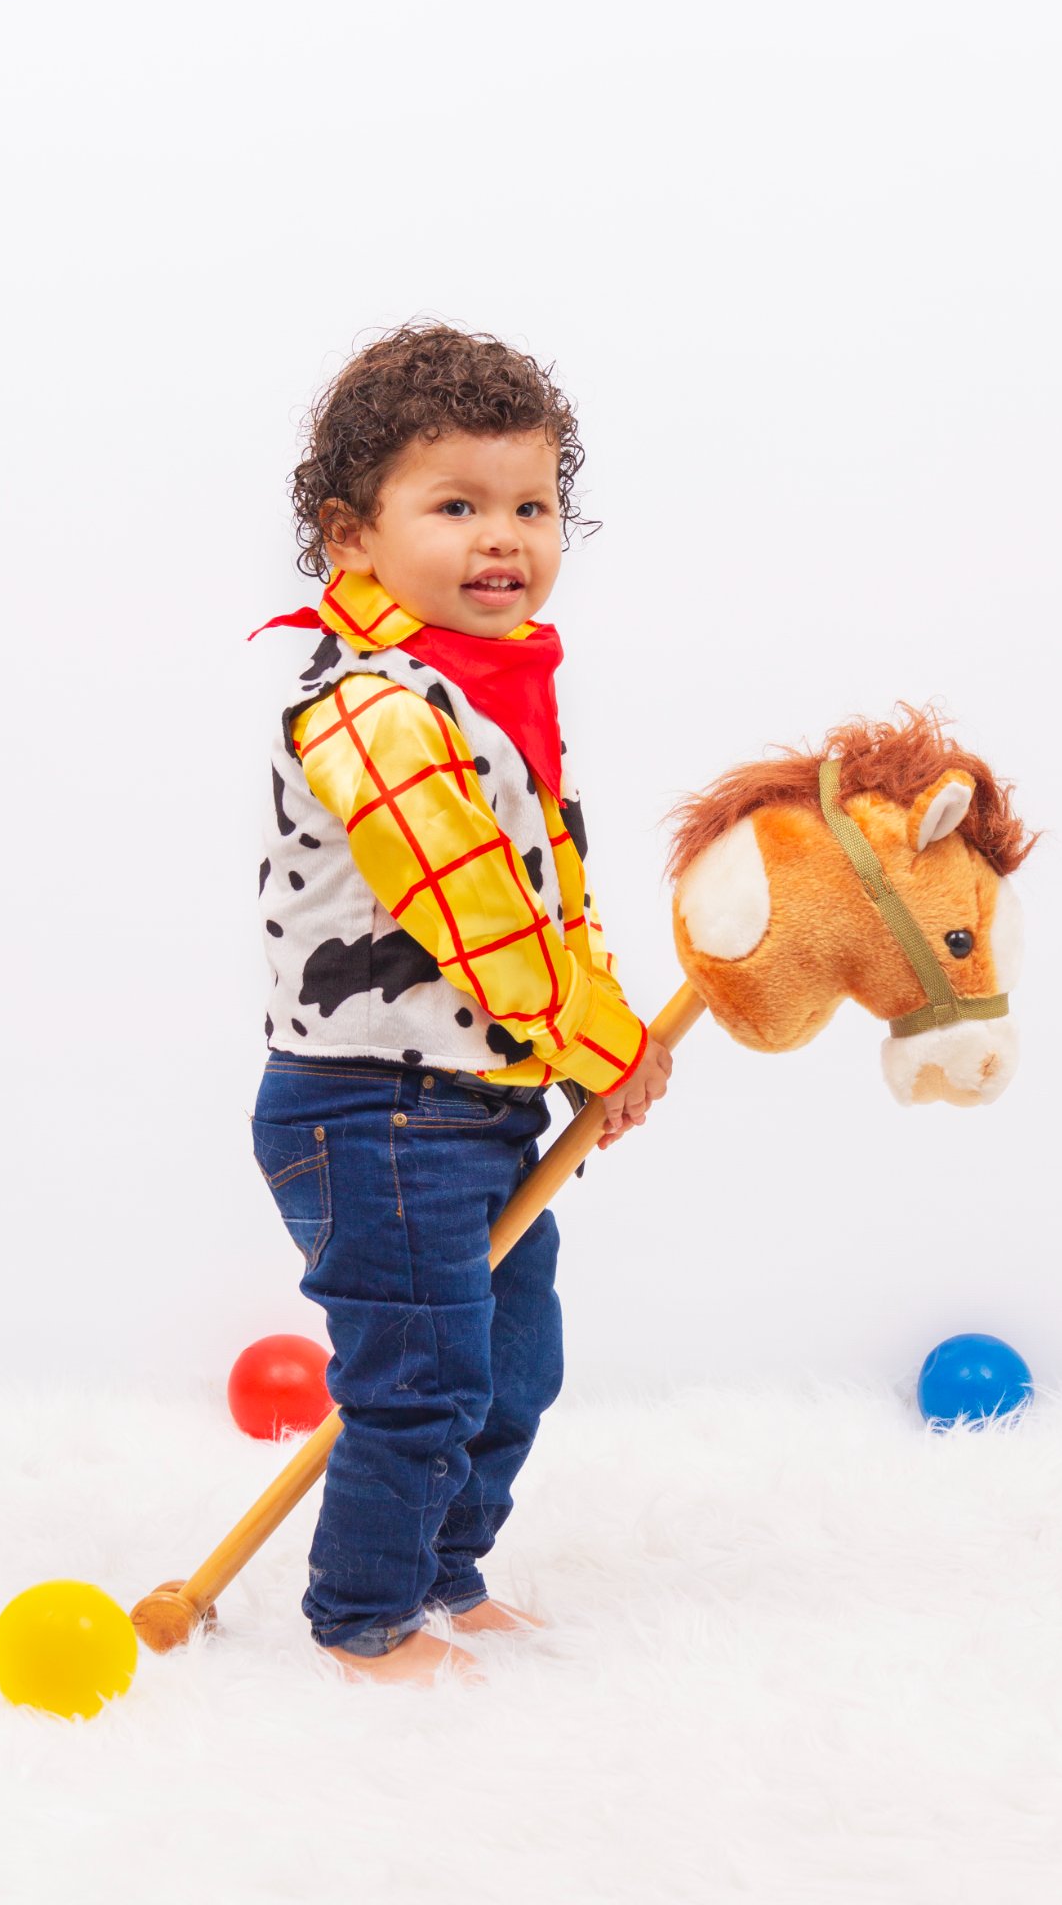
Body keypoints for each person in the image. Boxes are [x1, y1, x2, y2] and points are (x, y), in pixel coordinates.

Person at [249, 323, 672, 1686]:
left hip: (482, 1099)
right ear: (350, 536)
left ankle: (443, 1574)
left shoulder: (496, 694)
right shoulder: (370, 708)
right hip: (374, 1110)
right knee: (419, 1384)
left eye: (531, 506)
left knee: (508, 1366)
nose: (505, 538)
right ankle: (362, 1621)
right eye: (456, 505)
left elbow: (554, 897)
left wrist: (597, 1056)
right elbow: (472, 912)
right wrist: (602, 1043)